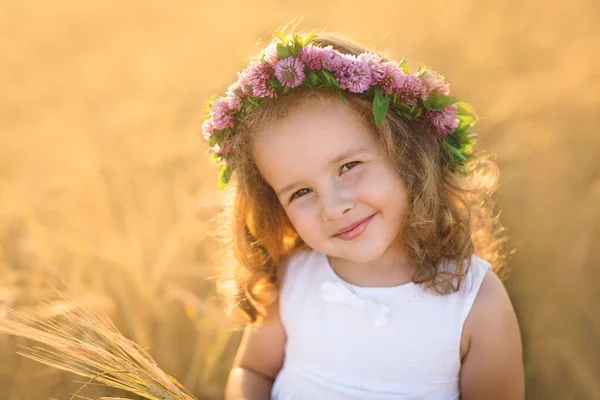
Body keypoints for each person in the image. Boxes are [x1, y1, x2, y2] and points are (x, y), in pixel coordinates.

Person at [203, 30, 524, 399]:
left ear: (405, 154)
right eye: (301, 192)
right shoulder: (294, 278)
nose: (334, 206)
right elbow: (253, 371)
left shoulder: (476, 302)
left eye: (350, 165)